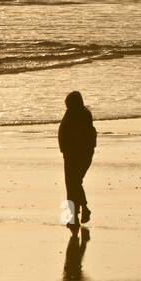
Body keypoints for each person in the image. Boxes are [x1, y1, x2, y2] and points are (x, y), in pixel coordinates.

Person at [58, 91, 97, 225]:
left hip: (77, 154)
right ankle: (76, 214)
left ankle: (81, 211)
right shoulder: (75, 113)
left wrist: (69, 151)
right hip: (71, 154)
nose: (67, 107)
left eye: (69, 104)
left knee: (73, 182)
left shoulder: (81, 115)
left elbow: (81, 137)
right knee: (74, 183)